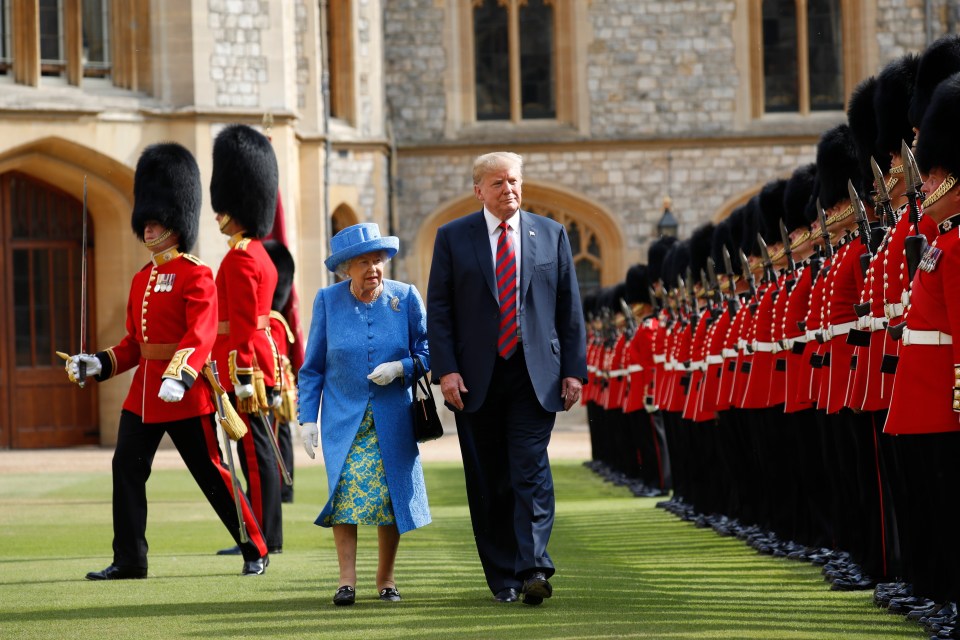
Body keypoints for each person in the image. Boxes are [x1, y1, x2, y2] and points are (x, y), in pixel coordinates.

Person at [65, 142, 269, 579]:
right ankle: (130, 559)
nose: (149, 227)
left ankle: (254, 547)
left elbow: (201, 333)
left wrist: (179, 375)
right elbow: (134, 344)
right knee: (126, 469)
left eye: (157, 220)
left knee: (211, 473)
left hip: (186, 393)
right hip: (142, 398)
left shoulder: (197, 274)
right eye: (147, 221)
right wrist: (98, 363)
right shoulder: (142, 278)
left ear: (177, 220)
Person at [426, 151, 587, 605]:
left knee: (530, 469)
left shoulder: (551, 234)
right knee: (488, 477)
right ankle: (503, 578)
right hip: (476, 379)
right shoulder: (453, 237)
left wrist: (574, 370)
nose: (508, 189)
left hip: (535, 375)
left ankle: (534, 566)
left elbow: (568, 308)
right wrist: (447, 371)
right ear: (479, 190)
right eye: (497, 183)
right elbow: (439, 310)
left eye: (513, 181)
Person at [298, 222, 431, 606]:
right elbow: (313, 367)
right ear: (346, 269)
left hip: (393, 418)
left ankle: (386, 578)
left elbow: (428, 351)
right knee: (346, 494)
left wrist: (401, 368)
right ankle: (346, 581)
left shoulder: (405, 298)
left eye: (378, 260)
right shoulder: (327, 300)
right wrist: (308, 418)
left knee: (390, 498)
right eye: (363, 262)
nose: (373, 268)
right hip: (344, 420)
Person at [209, 124, 284, 557]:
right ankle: (266, 533)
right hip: (259, 358)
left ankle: (261, 538)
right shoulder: (259, 253)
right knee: (260, 448)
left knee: (254, 454)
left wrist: (236, 372)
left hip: (245, 364)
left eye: (223, 209)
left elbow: (239, 323)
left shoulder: (239, 258)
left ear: (237, 208)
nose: (218, 215)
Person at [263, 239, 299, 504]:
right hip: (277, 380)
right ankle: (283, 487)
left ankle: (283, 487)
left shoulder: (273, 320)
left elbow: (274, 353)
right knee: (279, 433)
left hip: (274, 381)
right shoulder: (276, 318)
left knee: (276, 433)